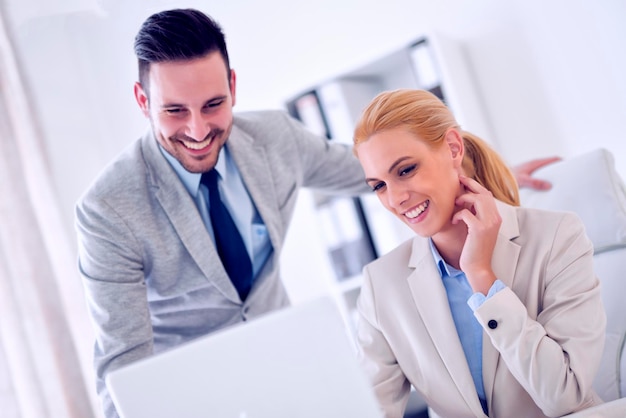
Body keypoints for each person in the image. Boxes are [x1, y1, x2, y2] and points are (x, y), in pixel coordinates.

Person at [74, 8, 561, 418]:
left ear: (234, 86)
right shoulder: (108, 209)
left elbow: (370, 172)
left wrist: (479, 173)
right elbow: (123, 365)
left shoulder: (275, 140)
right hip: (193, 396)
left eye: (213, 104)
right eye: (175, 111)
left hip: (284, 367)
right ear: (143, 101)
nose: (199, 129)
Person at [351, 88, 606, 418]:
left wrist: (483, 278)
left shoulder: (557, 237)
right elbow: (372, 409)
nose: (395, 198)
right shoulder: (381, 284)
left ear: (453, 149)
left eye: (405, 170)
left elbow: (565, 396)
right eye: (378, 186)